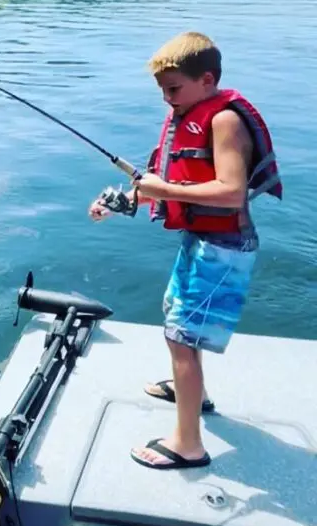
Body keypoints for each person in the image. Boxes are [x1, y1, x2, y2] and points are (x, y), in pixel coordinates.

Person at [89, 32, 282, 470]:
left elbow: (232, 193)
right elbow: (163, 185)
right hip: (201, 242)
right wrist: (117, 203)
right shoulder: (188, 115)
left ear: (207, 80)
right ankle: (196, 392)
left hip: (224, 247)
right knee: (175, 316)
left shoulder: (223, 121)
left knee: (181, 335)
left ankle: (188, 444)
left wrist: (161, 187)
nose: (167, 100)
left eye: (173, 89)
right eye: (162, 91)